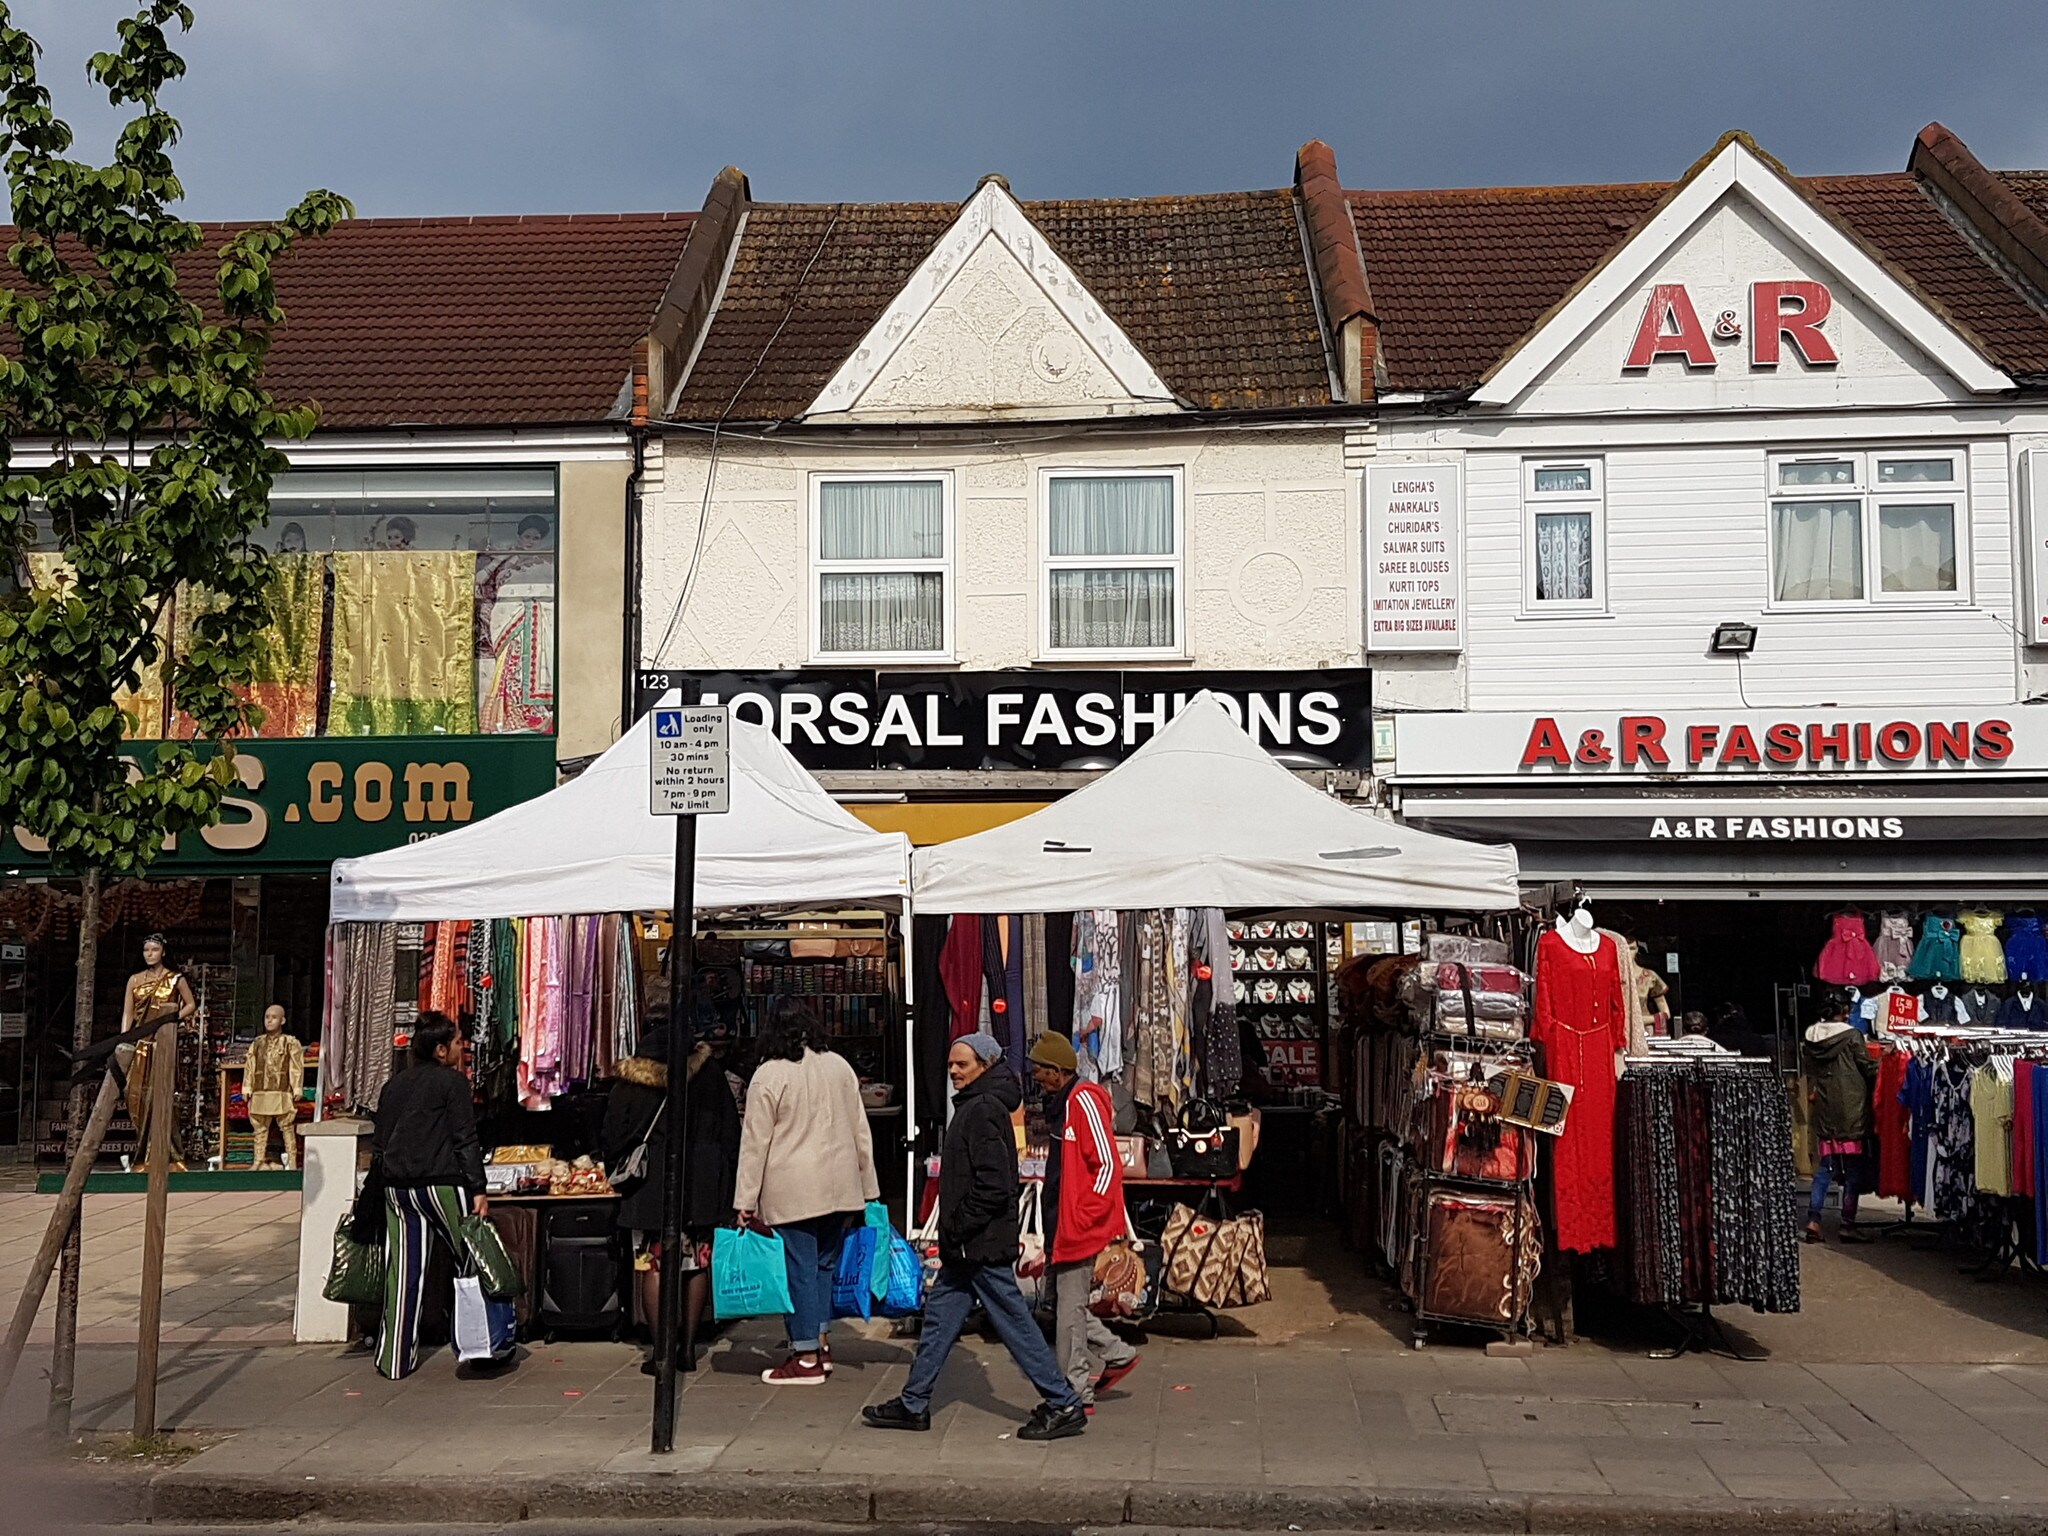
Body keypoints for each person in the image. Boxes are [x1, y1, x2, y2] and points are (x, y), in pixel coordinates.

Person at [863, 1034, 1087, 1442]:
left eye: (961, 1065)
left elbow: (994, 1184)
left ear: (984, 1065)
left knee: (1017, 1326)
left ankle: (1063, 1403)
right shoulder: (977, 1105)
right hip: (965, 1249)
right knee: (938, 1323)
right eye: (950, 1064)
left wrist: (959, 1225)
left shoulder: (982, 1110)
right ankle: (914, 1402)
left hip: (978, 1246)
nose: (953, 1071)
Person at [733, 1001, 878, 1385]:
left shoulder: (769, 1074)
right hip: (841, 1185)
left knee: (798, 1270)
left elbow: (754, 1144)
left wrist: (745, 1201)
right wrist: (869, 1188)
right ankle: (821, 1341)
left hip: (793, 1189)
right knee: (823, 1268)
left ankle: (806, 1356)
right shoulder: (839, 1066)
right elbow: (861, 1131)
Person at [603, 1017, 742, 1375]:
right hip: (701, 1182)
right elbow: (730, 1129)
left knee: (653, 1263)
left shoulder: (630, 1081)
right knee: (696, 1262)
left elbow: (613, 1135)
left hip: (650, 1187)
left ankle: (661, 1349)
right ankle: (689, 1346)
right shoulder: (708, 1073)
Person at [370, 1012, 504, 1379]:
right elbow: (465, 1137)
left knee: (404, 1269)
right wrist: (478, 1188)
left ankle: (394, 1359)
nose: (464, 1047)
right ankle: (479, 1347)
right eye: (459, 1042)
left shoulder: (393, 1086)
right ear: (442, 1049)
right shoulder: (452, 1082)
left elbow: (380, 1144)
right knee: (472, 1260)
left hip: (397, 1187)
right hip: (443, 1183)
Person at [1028, 1031, 1139, 1415]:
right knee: (1061, 1307)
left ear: (1058, 1071)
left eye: (1040, 1070)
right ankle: (1117, 1353)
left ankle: (1075, 1390)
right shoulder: (1061, 1104)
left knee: (1068, 1312)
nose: (1036, 1077)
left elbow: (1107, 1163)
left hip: (1077, 1225)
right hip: (1063, 1222)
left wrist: (1087, 1216)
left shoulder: (1083, 1100)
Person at [1801, 991, 1878, 1245]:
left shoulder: (1811, 1037)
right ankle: (1848, 1223)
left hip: (1824, 1107)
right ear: (1844, 1011)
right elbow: (1867, 1067)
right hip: (1851, 1108)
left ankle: (1813, 1219)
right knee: (1854, 1168)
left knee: (1825, 1167)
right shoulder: (1852, 1036)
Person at [120, 933, 197, 1172]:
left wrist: (172, 1018)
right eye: (146, 950)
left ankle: (168, 1153)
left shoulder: (175, 979)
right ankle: (142, 1154)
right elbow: (128, 1013)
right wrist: (125, 1039)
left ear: (163, 952)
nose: (150, 954)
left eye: (154, 949)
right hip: (140, 1043)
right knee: (136, 1097)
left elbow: (191, 1003)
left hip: (163, 1044)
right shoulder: (134, 980)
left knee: (162, 1095)